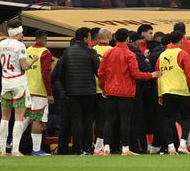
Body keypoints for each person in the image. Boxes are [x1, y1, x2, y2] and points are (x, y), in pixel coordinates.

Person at [97, 28, 158, 156]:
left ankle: (106, 147)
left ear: (115, 38)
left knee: (109, 120)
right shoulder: (130, 54)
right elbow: (135, 74)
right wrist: (150, 75)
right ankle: (125, 148)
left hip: (111, 91)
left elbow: (101, 73)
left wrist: (103, 88)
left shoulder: (108, 53)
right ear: (128, 39)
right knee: (125, 120)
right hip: (126, 92)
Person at [52, 27, 100, 155]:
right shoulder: (91, 52)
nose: (90, 39)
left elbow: (60, 73)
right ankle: (87, 147)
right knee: (88, 120)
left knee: (76, 119)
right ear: (85, 38)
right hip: (88, 91)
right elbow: (99, 71)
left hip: (71, 92)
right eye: (89, 36)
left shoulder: (67, 52)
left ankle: (77, 148)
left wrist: (65, 88)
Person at [0, 23, 39, 156]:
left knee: (4, 117)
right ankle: (15, 149)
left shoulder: (1, 44)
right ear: (16, 33)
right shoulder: (20, 46)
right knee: (19, 117)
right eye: (21, 33)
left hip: (5, 82)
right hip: (18, 83)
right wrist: (33, 61)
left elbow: (1, 40)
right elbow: (24, 66)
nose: (23, 35)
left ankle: (2, 150)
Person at [155, 30, 190, 154]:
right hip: (181, 90)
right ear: (181, 40)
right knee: (186, 118)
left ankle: (171, 147)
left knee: (168, 120)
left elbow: (158, 75)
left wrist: (160, 94)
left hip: (166, 91)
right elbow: (189, 75)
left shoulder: (162, 55)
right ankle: (182, 144)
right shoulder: (183, 54)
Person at [25, 29, 54, 156]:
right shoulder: (45, 52)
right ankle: (36, 149)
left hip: (27, 89)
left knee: (25, 118)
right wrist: (49, 93)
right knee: (37, 119)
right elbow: (46, 74)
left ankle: (12, 143)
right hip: (39, 90)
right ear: (45, 39)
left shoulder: (27, 50)